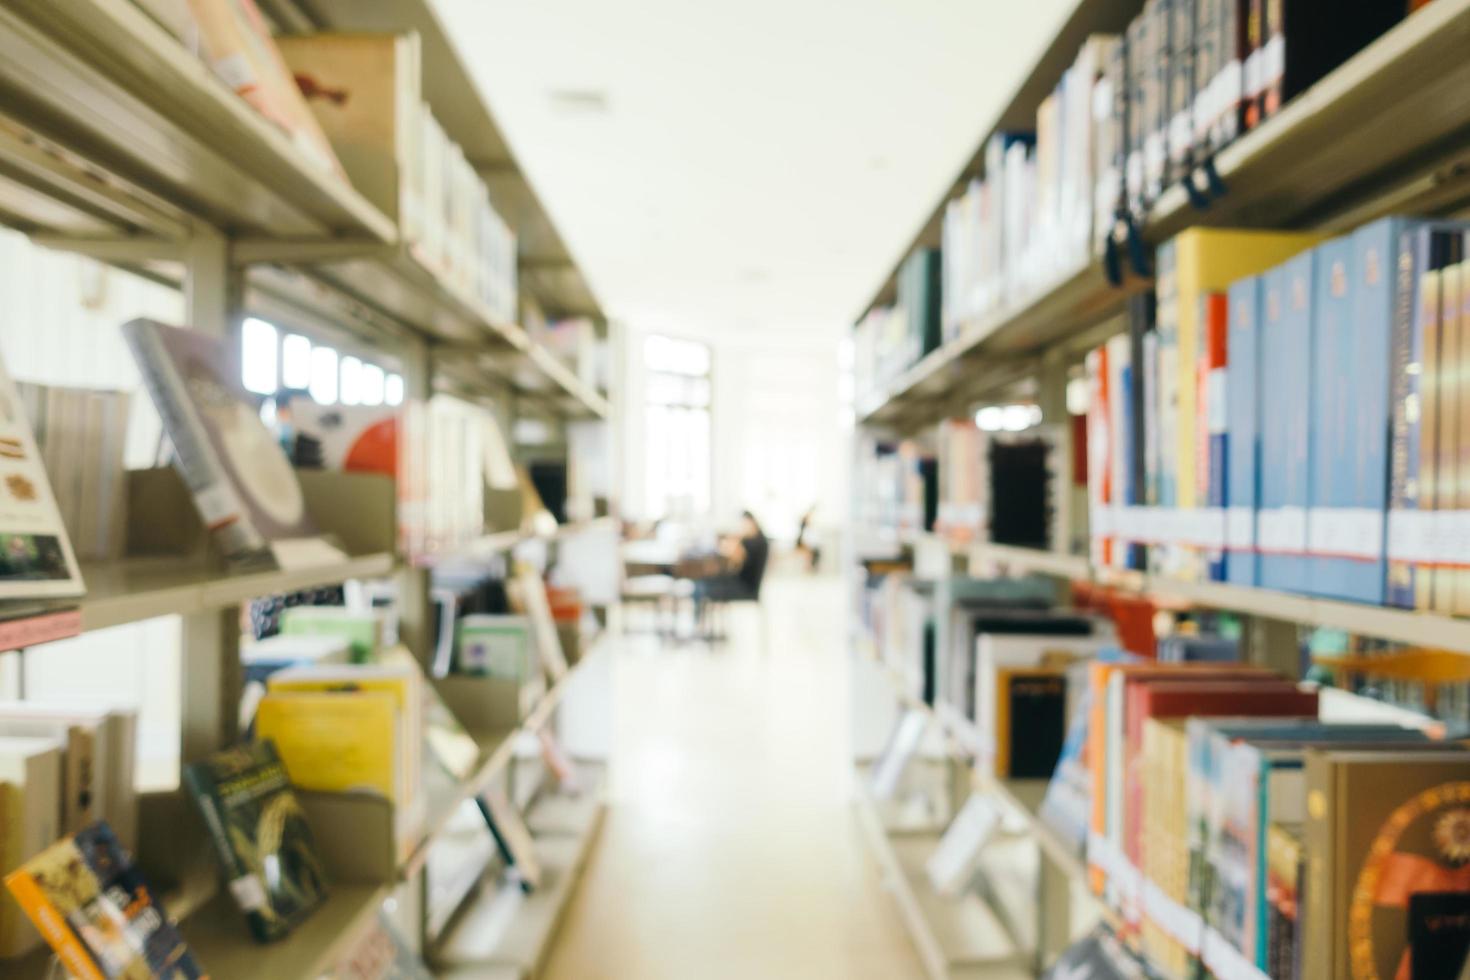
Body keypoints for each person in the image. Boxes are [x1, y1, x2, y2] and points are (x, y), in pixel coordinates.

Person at [692, 511, 768, 637]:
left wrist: (734, 542)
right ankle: (702, 627)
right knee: (704, 581)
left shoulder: (753, 542)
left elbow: (734, 558)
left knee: (702, 585)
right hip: (741, 583)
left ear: (752, 522)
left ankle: (698, 627)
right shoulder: (757, 540)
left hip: (745, 588)